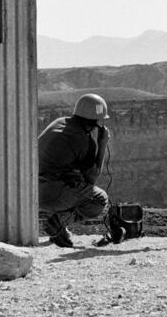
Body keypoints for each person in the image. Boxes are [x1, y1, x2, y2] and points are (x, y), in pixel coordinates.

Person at [37, 92, 112, 248]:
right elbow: (91, 179)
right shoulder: (84, 140)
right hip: (50, 192)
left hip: (31, 189)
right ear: (97, 121)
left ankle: (59, 231)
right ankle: (59, 222)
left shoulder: (59, 122)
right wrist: (102, 144)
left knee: (73, 181)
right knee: (99, 199)